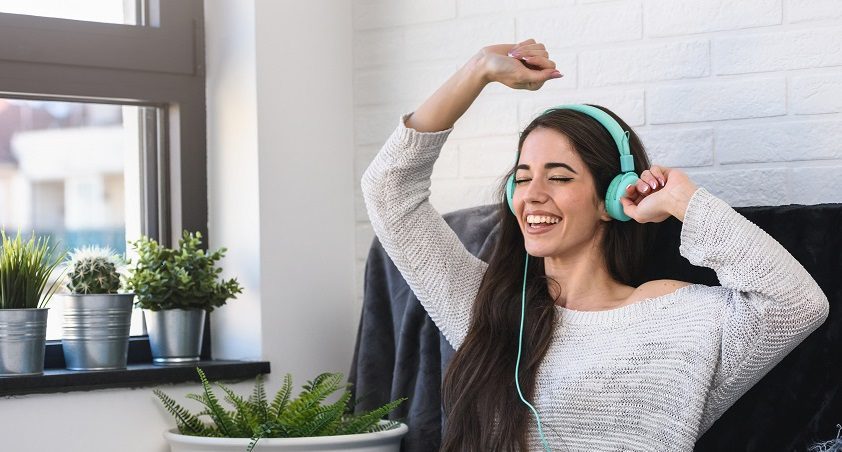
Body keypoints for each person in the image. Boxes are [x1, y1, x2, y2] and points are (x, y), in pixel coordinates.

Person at [361, 39, 829, 451]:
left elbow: (796, 304)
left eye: (559, 177)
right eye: (522, 179)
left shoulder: (680, 319)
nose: (533, 195)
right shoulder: (487, 305)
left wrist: (683, 200)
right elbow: (389, 191)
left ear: (611, 200)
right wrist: (478, 69)